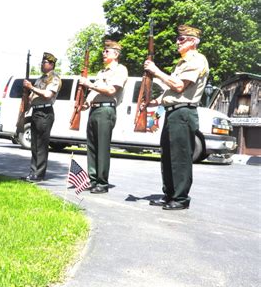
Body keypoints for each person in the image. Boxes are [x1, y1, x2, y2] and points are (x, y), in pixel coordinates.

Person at [144, 25, 209, 210]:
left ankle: (180, 198)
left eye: (181, 39)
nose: (177, 42)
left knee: (180, 156)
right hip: (173, 112)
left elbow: (179, 86)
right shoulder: (182, 62)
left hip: (183, 113)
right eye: (178, 39)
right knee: (168, 156)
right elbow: (171, 91)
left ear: (192, 41)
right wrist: (154, 102)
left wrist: (156, 71)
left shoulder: (197, 60)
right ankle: (170, 194)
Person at [79, 40, 128, 193]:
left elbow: (111, 90)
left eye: (107, 51)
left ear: (116, 54)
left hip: (106, 110)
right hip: (94, 110)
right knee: (92, 147)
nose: (103, 53)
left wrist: (89, 84)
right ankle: (93, 180)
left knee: (102, 147)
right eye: (104, 51)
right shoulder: (102, 72)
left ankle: (102, 182)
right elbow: (95, 91)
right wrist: (86, 102)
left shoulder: (120, 70)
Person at [21, 52, 61, 182]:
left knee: (41, 145)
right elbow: (32, 98)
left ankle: (39, 173)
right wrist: (26, 94)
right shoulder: (40, 79)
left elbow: (48, 95)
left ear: (51, 64)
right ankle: (33, 172)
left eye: (44, 62)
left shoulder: (54, 78)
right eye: (42, 62)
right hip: (36, 112)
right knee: (34, 145)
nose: (42, 65)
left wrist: (31, 87)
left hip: (45, 112)